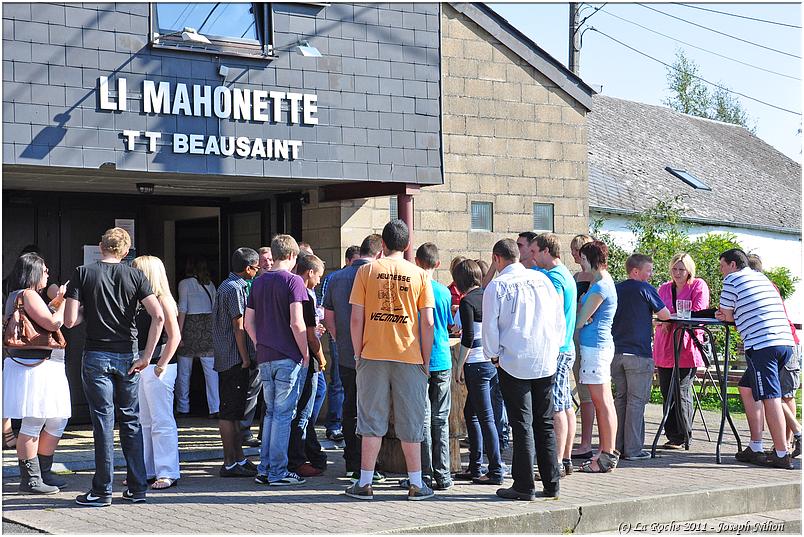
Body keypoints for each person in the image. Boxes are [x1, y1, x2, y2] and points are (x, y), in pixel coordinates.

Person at [65, 227, 165, 506]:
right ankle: (137, 487)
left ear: (101, 246)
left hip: (96, 354)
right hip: (129, 355)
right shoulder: (136, 275)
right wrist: (147, 356)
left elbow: (70, 320)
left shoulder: (83, 273)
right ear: (126, 251)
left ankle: (101, 490)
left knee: (103, 422)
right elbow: (158, 316)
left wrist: (88, 310)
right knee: (131, 420)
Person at [345, 220, 435, 501]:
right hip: (409, 355)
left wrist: (358, 353)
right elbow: (428, 322)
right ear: (407, 245)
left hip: (372, 354)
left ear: (382, 244)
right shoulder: (420, 275)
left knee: (370, 419)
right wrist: (426, 360)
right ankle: (416, 483)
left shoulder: (366, 271)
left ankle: (365, 482)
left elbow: (356, 318)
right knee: (411, 420)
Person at [483, 239, 565, 501]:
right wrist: (555, 348)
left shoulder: (497, 285)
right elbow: (558, 319)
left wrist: (492, 355)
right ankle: (552, 482)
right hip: (545, 357)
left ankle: (523, 484)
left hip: (514, 359)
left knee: (521, 424)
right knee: (544, 422)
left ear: (497, 259)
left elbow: (490, 326)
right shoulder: (543, 280)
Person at [716, 249, 796, 469]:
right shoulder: (761, 278)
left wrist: (725, 314)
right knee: (747, 387)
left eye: (722, 266)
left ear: (733, 265)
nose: (721, 271)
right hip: (785, 342)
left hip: (763, 345)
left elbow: (727, 315)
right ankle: (755, 446)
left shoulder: (732, 280)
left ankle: (781, 453)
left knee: (771, 397)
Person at [244, 235, 309, 486]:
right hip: (287, 356)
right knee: (283, 415)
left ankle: (265, 468)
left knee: (271, 413)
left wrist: (259, 342)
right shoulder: (294, 281)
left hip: (265, 355)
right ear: (292, 255)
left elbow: (248, 323)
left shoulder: (258, 282)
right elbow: (297, 322)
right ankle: (278, 472)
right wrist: (305, 352)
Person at [3, 253, 70, 494]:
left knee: (56, 418)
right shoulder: (28, 294)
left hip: (39, 365)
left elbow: (41, 319)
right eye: (44, 270)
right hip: (37, 366)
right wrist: (63, 304)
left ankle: (42, 471)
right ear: (33, 272)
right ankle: (31, 478)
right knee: (34, 420)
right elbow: (52, 323)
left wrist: (56, 301)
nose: (48, 274)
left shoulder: (20, 295)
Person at [322, 234, 384, 483]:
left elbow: (327, 315)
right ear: (379, 253)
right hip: (374, 353)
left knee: (349, 407)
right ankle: (369, 465)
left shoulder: (335, 278)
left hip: (346, 353)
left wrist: (339, 339)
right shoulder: (377, 275)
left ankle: (351, 462)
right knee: (371, 411)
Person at [610, 254, 670, 461]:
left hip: (616, 352)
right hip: (638, 354)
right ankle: (633, 449)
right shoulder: (645, 289)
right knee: (636, 402)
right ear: (636, 271)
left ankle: (616, 446)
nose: (651, 274)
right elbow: (665, 315)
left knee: (621, 399)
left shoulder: (616, 288)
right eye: (648, 270)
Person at [405, 243, 453, 491]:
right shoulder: (444, 292)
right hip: (442, 357)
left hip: (418, 358)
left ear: (416, 261)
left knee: (422, 418)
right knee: (440, 418)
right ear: (438, 264)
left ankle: (423, 474)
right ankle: (443, 474)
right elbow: (448, 324)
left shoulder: (413, 290)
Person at [131, 256, 182, 489]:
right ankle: (147, 469)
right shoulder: (143, 301)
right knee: (145, 421)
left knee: (161, 420)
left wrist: (161, 364)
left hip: (159, 366)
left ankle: (167, 471)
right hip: (145, 365)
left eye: (137, 271)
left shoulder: (163, 300)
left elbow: (175, 336)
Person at [530, 233, 578, 477]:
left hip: (558, 349)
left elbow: (554, 311)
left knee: (557, 406)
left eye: (535, 251)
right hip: (566, 346)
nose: (532, 256)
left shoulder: (554, 278)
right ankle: (565, 459)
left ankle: (555, 463)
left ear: (546, 251)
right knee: (566, 403)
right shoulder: (565, 273)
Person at [745, 254, 801, 458]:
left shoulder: (763, 287)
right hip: (778, 342)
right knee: (766, 391)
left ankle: (787, 443)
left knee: (784, 394)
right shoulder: (766, 286)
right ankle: (787, 439)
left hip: (781, 341)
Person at [453, 259, 503, 485]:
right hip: (491, 362)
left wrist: (459, 366)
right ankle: (475, 466)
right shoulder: (489, 296)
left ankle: (495, 470)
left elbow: (468, 337)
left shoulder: (467, 302)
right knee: (472, 413)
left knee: (485, 418)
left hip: (475, 363)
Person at [653, 253, 710, 450]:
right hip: (665, 344)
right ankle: (672, 435)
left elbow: (699, 312)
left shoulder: (698, 285)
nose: (677, 273)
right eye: (674, 269)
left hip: (686, 345)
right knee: (666, 390)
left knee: (681, 390)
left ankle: (684, 435)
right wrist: (662, 320)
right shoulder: (664, 288)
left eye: (681, 269)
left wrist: (670, 317)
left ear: (689, 270)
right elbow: (657, 312)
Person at [212, 248, 259, 479]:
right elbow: (238, 326)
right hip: (233, 358)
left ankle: (239, 458)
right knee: (229, 413)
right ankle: (230, 462)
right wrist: (245, 358)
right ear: (248, 268)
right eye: (256, 268)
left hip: (229, 357)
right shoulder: (234, 288)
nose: (257, 272)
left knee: (236, 412)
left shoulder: (228, 285)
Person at [575, 240, 619, 473]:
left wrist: (582, 316)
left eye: (583, 258)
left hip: (596, 348)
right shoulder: (602, 282)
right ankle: (604, 451)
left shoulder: (600, 286)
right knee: (604, 402)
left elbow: (580, 320)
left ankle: (607, 455)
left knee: (601, 402)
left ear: (590, 259)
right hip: (597, 346)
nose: (581, 263)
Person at [285, 254, 328, 478]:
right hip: (306, 358)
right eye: (318, 276)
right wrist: (320, 357)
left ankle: (305, 455)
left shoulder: (287, 290)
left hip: (287, 355)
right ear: (309, 272)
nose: (319, 281)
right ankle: (297, 460)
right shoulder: (304, 296)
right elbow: (310, 335)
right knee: (303, 412)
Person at [320, 245, 359, 443]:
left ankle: (347, 426)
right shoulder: (334, 278)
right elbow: (325, 310)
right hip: (341, 337)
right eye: (355, 262)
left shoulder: (362, 276)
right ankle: (334, 424)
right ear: (347, 261)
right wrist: (335, 336)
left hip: (353, 339)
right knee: (337, 382)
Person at [175, 257, 219, 419]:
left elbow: (183, 308)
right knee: (211, 372)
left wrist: (178, 333)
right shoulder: (210, 284)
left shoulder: (184, 284)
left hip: (190, 328)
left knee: (184, 372)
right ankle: (215, 408)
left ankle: (183, 407)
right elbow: (215, 308)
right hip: (207, 329)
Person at [569, 233, 596, 459]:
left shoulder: (596, 278)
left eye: (578, 251)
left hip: (588, 336)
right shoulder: (576, 275)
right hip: (574, 334)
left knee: (588, 393)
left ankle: (587, 442)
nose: (574, 255)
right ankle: (582, 441)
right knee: (580, 386)